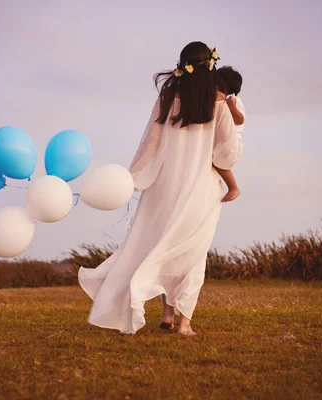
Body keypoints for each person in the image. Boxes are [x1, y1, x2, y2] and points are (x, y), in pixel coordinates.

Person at [78, 42, 244, 336]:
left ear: (182, 66)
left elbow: (149, 145)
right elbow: (224, 153)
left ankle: (166, 316)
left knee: (159, 245)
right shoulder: (219, 102)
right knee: (190, 253)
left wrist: (131, 178)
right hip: (200, 188)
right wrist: (232, 182)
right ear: (211, 65)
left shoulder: (168, 98)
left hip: (163, 187)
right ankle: (184, 323)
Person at [216, 66, 246, 203]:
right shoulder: (217, 100)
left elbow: (240, 120)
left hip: (231, 141)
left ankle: (233, 187)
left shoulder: (233, 100)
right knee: (215, 160)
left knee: (217, 160)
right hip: (223, 139)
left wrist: (232, 107)